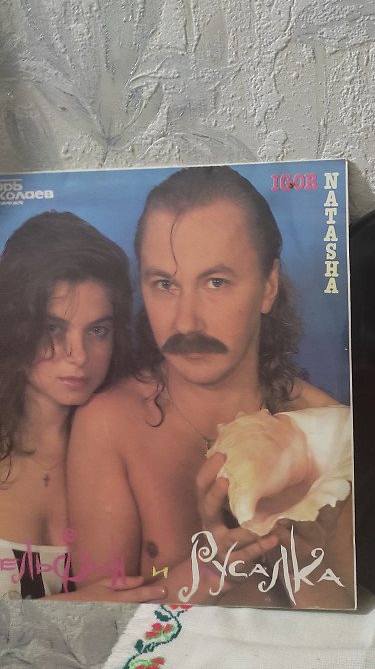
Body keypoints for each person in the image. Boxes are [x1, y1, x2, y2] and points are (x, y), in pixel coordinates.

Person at [67, 166, 354, 608]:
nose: (186, 322)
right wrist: (210, 569)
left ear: (268, 287)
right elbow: (96, 620)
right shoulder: (109, 424)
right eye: (165, 284)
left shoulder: (333, 435)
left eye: (216, 282)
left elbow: (346, 616)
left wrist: (297, 550)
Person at [0, 212, 167, 601]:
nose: (78, 354)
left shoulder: (128, 448)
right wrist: (82, 604)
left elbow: (157, 582)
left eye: (97, 330)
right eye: (52, 328)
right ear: (13, 325)